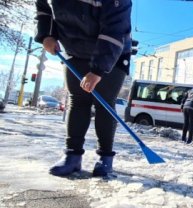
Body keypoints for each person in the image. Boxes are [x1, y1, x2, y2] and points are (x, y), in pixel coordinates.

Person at [35, 0, 132, 177]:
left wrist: (98, 70)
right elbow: (44, 8)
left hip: (112, 54)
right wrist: (46, 35)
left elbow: (115, 29)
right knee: (78, 100)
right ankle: (72, 157)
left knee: (104, 104)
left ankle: (105, 158)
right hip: (75, 50)